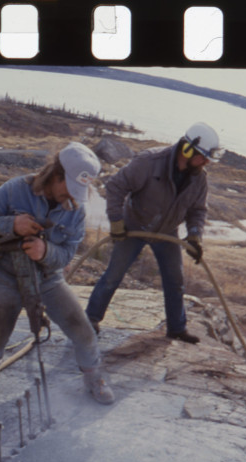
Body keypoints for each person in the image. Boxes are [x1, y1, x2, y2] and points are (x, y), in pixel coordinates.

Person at [0, 142, 114, 405]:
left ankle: (93, 376)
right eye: (69, 188)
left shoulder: (75, 210)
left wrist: (45, 252)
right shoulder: (15, 190)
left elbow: (67, 254)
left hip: (48, 279)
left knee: (81, 328)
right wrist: (12, 224)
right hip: (7, 274)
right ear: (56, 175)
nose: (72, 198)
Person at [84, 122, 224, 344]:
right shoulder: (149, 162)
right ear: (188, 150)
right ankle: (90, 319)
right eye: (203, 157)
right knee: (113, 275)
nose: (206, 163)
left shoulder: (199, 178)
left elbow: (198, 210)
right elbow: (115, 186)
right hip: (133, 226)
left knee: (175, 280)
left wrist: (195, 235)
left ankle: (176, 328)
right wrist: (117, 221)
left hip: (167, 232)